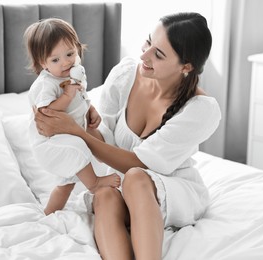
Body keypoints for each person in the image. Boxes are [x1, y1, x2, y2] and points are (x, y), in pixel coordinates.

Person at [34, 12, 221, 260]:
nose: (144, 55)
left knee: (135, 177)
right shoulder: (125, 75)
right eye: (148, 42)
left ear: (185, 67)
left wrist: (75, 130)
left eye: (159, 54)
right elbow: (105, 144)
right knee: (104, 195)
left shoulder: (201, 109)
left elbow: (140, 164)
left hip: (172, 191)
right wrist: (84, 125)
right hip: (120, 183)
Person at [24, 18, 121, 216]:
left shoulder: (75, 73)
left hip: (70, 134)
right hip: (50, 142)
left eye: (70, 54)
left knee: (65, 184)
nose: (66, 62)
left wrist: (90, 108)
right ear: (43, 63)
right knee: (78, 149)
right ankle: (94, 184)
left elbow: (81, 96)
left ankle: (48, 215)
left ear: (78, 49)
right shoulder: (46, 85)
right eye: (55, 60)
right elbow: (46, 113)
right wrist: (67, 95)